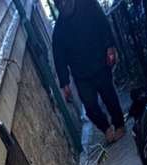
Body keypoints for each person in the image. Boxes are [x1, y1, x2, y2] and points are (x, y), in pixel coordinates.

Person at [52, 0, 126, 143]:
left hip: (100, 63)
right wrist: (65, 83)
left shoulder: (88, 4)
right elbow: (59, 58)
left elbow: (103, 24)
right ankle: (106, 128)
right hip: (81, 75)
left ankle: (119, 125)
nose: (63, 5)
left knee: (109, 96)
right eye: (59, 4)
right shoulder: (59, 31)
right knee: (90, 105)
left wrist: (110, 47)